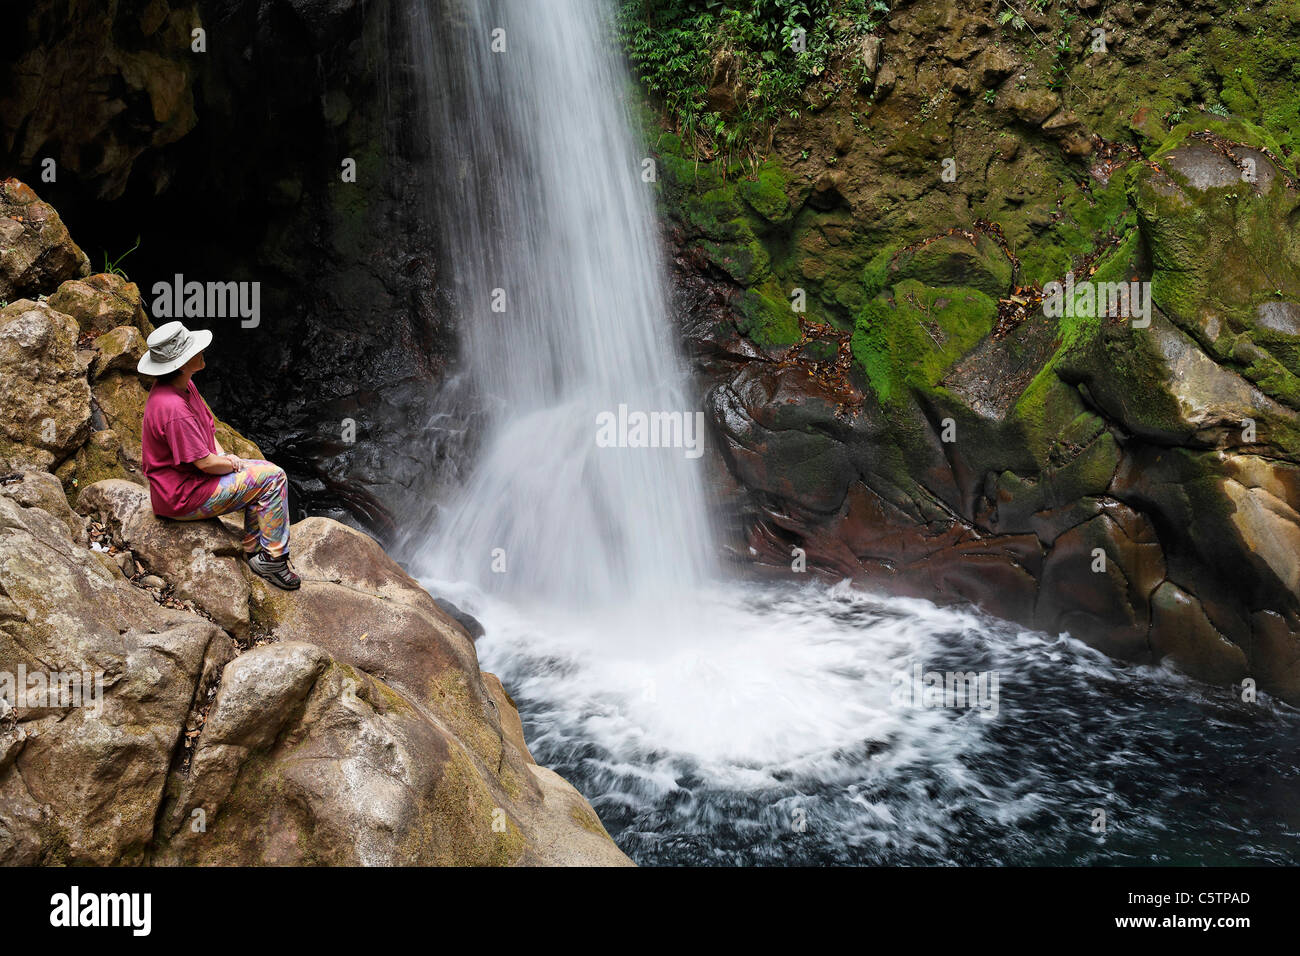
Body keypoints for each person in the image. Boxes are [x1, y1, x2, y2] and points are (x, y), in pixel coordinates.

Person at [136, 320, 300, 590]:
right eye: (194, 350)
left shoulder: (183, 385)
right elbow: (205, 464)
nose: (201, 352)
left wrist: (228, 457)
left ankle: (253, 548)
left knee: (264, 471)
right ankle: (273, 560)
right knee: (272, 479)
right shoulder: (172, 408)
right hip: (182, 497)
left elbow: (207, 428)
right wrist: (228, 464)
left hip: (192, 480)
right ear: (181, 362)